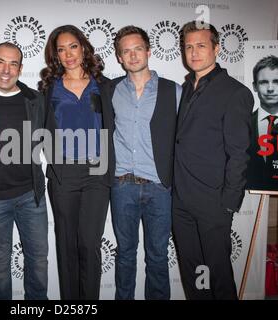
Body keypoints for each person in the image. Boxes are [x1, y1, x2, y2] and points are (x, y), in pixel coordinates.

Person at [173, 21, 254, 300]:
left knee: (217, 275)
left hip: (213, 203)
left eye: (201, 46)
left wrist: (228, 203)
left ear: (217, 48)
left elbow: (239, 153)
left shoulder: (235, 92)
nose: (194, 53)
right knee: (194, 273)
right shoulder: (185, 88)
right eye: (189, 47)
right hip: (181, 199)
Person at [39, 24, 115, 300]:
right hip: (64, 173)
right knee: (67, 245)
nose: (68, 54)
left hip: (97, 171)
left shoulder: (105, 85)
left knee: (90, 244)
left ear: (83, 47)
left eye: (73, 46)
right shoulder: (49, 88)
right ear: (55, 55)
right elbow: (37, 128)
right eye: (61, 49)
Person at [110, 25, 181, 300]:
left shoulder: (173, 91)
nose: (133, 55)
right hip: (122, 185)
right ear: (119, 57)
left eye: (137, 48)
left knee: (158, 258)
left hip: (159, 187)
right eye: (126, 51)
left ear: (149, 51)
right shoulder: (111, 90)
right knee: (125, 256)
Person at [0, 42, 48, 300]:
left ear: (20, 68)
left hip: (31, 195)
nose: (6, 70)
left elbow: (49, 139)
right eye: (0, 62)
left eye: (13, 63)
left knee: (39, 262)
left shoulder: (35, 99)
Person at [246, 55, 278, 190]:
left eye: (276, 81)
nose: (270, 88)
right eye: (264, 82)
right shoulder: (244, 124)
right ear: (255, 86)